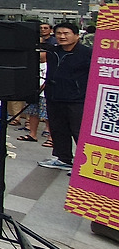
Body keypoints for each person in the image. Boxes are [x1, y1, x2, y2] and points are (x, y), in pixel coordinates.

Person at [40, 22, 91, 171]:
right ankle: (63, 159)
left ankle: (85, 164)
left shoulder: (87, 53)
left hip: (77, 99)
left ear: (77, 35)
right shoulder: (53, 51)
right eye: (59, 33)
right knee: (58, 129)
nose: (62, 36)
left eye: (66, 33)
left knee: (79, 132)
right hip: (54, 97)